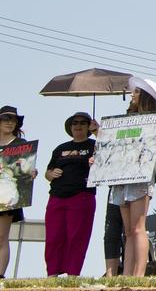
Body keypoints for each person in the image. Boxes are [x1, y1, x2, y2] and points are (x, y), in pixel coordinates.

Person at [110, 78, 156, 277]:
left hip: (141, 175)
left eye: (135, 92)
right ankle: (127, 273)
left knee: (138, 227)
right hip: (121, 175)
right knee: (128, 230)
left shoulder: (153, 118)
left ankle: (139, 273)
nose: (131, 95)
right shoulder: (126, 117)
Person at [44, 112, 97, 276]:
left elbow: (109, 159)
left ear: (88, 126)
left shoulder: (95, 145)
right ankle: (52, 274)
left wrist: (98, 133)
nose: (78, 126)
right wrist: (51, 174)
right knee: (53, 237)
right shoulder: (60, 148)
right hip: (57, 195)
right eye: (75, 123)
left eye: (83, 122)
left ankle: (73, 274)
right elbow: (48, 172)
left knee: (77, 237)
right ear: (70, 126)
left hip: (81, 195)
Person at [0, 106, 36, 279]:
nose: (9, 123)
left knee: (1, 236)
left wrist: (31, 173)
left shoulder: (22, 145)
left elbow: (27, 170)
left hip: (8, 194)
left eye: (13, 120)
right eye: (6, 119)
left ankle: (0, 274)